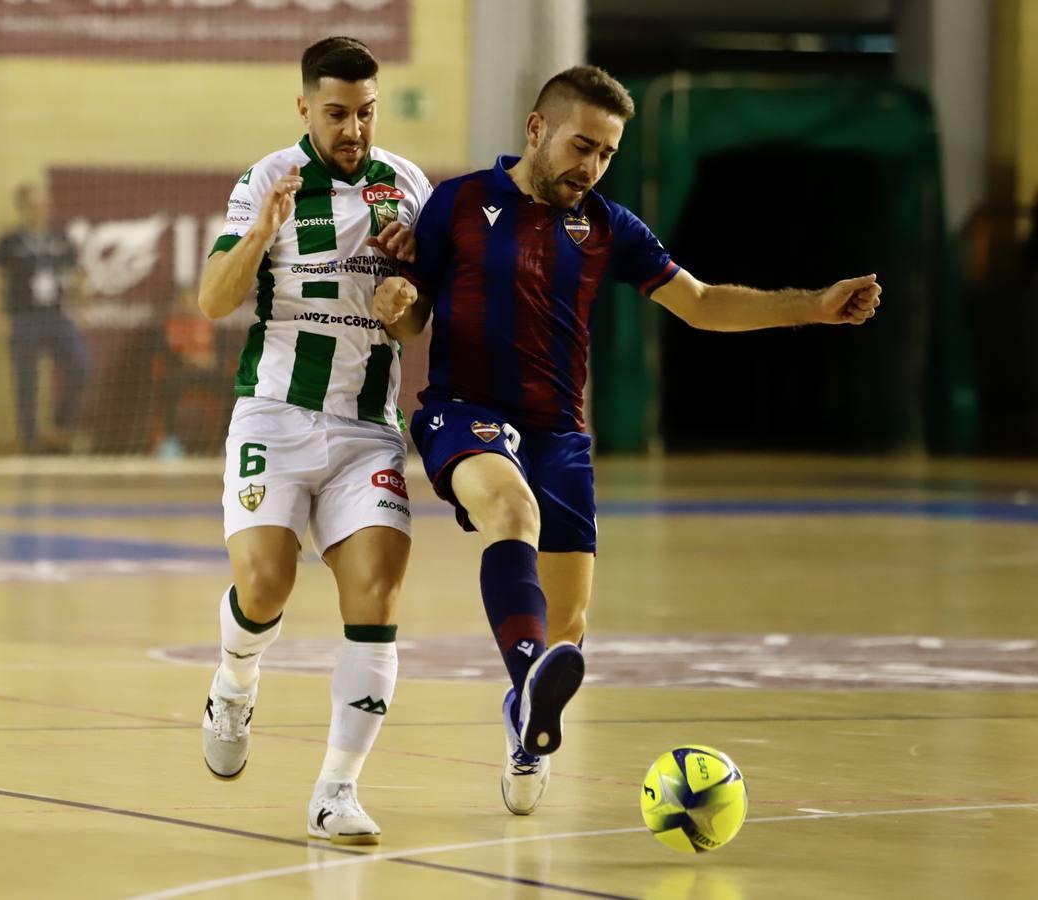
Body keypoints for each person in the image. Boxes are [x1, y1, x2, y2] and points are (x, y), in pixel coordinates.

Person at [372, 65, 883, 816]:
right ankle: (525, 685)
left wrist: (813, 306)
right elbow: (413, 315)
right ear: (537, 130)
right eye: (582, 146)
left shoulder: (608, 227)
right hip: (464, 412)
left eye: (607, 154)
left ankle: (525, 723)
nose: (592, 166)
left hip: (559, 436)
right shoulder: (458, 203)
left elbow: (702, 304)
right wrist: (399, 304)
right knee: (511, 514)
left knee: (569, 625)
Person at [196, 36, 430, 845]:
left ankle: (337, 790)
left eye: (366, 112)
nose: (354, 129)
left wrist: (407, 297)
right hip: (274, 414)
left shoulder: (408, 188)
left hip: (367, 429)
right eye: (337, 114)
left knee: (377, 595)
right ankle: (234, 679)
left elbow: (419, 316)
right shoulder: (268, 178)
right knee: (264, 587)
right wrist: (263, 231)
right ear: (305, 108)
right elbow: (212, 300)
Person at [0, 182, 92, 453]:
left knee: (81, 366)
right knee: (26, 379)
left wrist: (80, 306)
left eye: (43, 204)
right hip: (23, 316)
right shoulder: (10, 241)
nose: (40, 210)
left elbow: (78, 273)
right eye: (33, 205)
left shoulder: (60, 239)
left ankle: (61, 426)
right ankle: (30, 441)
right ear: (22, 208)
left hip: (56, 315)